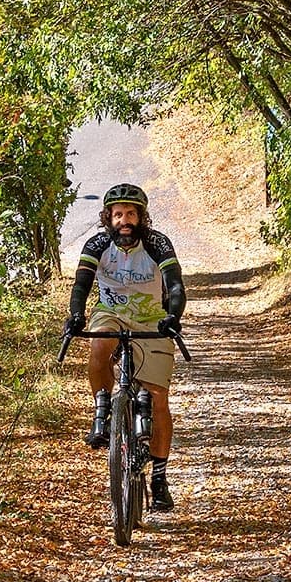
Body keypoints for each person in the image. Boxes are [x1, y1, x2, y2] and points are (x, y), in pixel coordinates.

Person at [63, 183, 186, 511]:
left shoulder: (158, 243)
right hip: (111, 313)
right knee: (99, 344)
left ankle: (159, 479)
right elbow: (81, 284)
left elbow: (175, 286)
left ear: (141, 217)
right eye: (118, 214)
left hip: (152, 319)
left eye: (131, 213)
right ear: (108, 218)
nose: (124, 220)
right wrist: (76, 315)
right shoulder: (98, 244)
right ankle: (103, 412)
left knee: (158, 398)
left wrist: (173, 317)